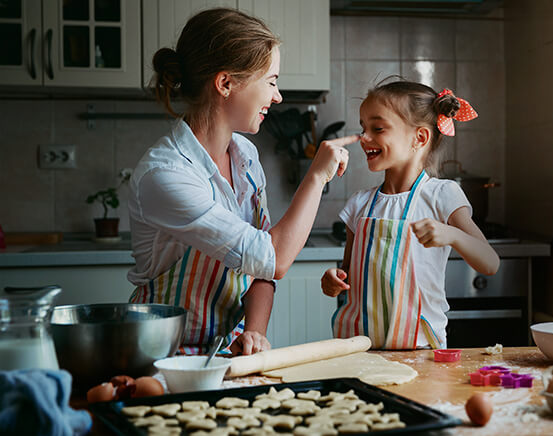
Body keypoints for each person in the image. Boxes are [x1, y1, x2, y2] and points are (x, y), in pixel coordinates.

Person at [127, 8, 357, 356]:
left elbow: (260, 271)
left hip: (226, 352)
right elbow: (273, 257)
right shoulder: (167, 175)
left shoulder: (245, 157)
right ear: (225, 83)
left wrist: (253, 334)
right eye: (271, 81)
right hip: (161, 355)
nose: (277, 97)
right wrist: (316, 176)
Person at [321, 79, 500, 350]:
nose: (364, 138)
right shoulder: (359, 204)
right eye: (363, 128)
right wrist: (333, 281)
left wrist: (451, 235)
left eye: (377, 128)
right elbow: (347, 274)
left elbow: (490, 263)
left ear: (420, 137)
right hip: (358, 349)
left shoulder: (442, 195)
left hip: (422, 350)